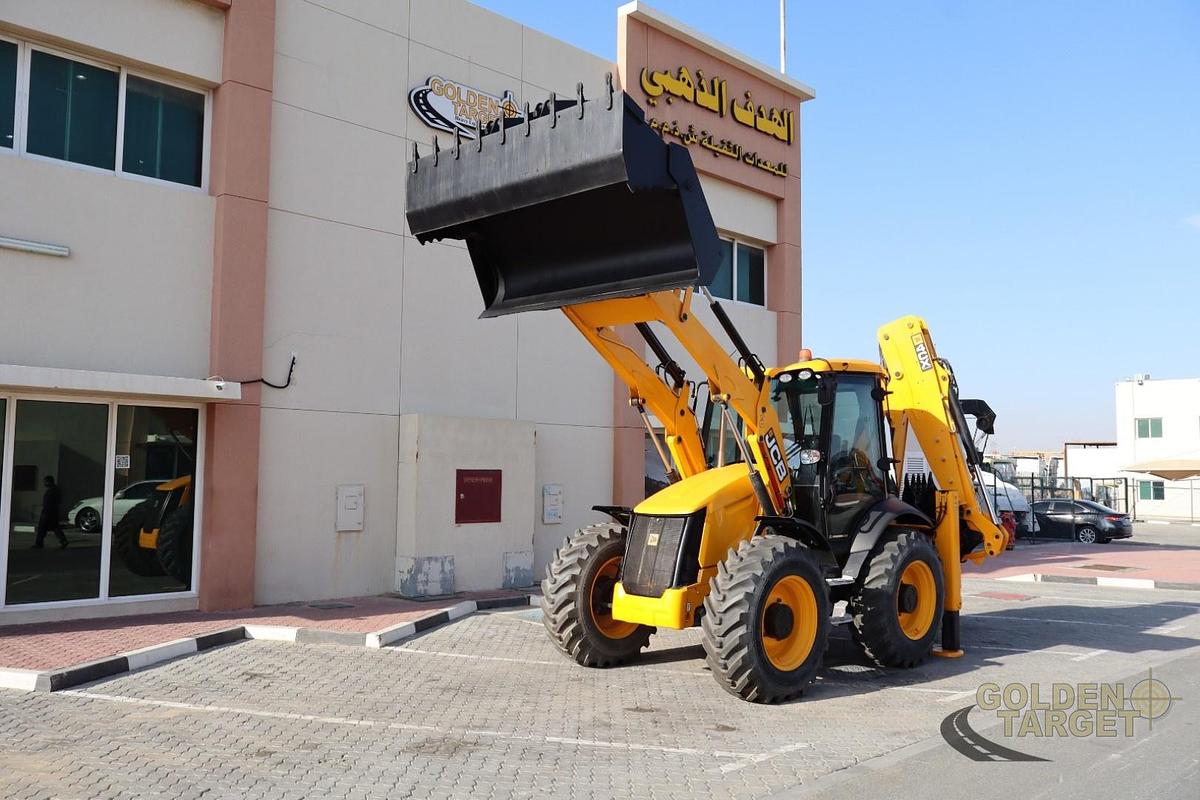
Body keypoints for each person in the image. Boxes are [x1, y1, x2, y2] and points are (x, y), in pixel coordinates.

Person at [33, 475, 68, 549]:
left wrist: (45, 512)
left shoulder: (52, 491)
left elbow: (49, 503)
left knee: (42, 528)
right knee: (55, 527)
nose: (44, 483)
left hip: (48, 512)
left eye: (45, 482)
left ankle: (39, 543)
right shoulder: (55, 490)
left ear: (49, 482)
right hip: (53, 512)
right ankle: (63, 540)